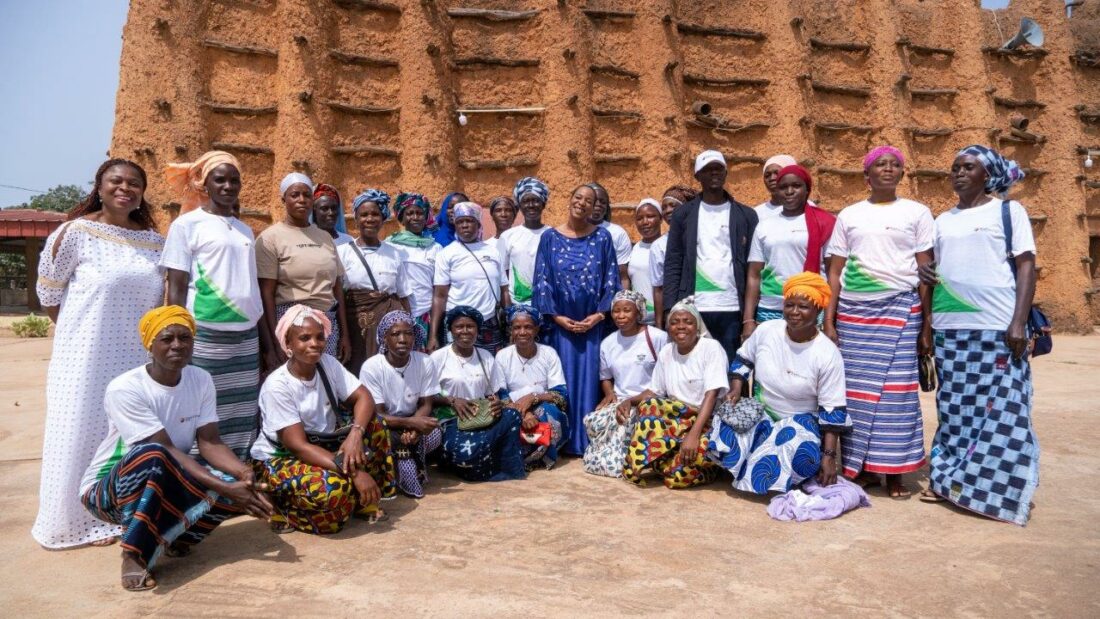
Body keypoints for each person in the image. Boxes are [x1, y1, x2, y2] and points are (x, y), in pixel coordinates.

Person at [81, 307, 273, 591]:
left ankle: (173, 538)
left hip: (168, 472)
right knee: (154, 456)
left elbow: (210, 442)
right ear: (150, 344)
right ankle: (133, 554)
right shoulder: (125, 388)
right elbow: (166, 448)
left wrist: (245, 474)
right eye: (167, 338)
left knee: (233, 483)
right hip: (110, 491)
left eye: (185, 338)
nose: (177, 345)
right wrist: (222, 486)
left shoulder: (200, 379)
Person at [33, 159, 165, 550]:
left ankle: (119, 513)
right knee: (78, 433)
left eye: (134, 183)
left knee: (126, 437)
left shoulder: (155, 241)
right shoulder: (75, 233)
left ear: (142, 191)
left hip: (136, 358)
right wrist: (81, 334)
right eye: (116, 181)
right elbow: (50, 297)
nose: (125, 188)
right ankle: (71, 521)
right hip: (85, 357)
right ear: (100, 186)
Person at [920, 145, 1039, 525]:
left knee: (1003, 409)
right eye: (954, 168)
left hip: (997, 325)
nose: (958, 173)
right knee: (954, 408)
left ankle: (999, 491)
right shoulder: (942, 220)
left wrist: (1018, 321)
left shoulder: (1008, 211)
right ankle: (948, 481)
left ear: (986, 175)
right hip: (950, 328)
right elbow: (933, 272)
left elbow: (1026, 266)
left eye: (967, 167)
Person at [824, 145, 934, 498]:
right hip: (855, 315)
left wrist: (927, 325)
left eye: (895, 165)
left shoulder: (918, 213)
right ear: (866, 175)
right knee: (855, 395)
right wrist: (830, 320)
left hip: (901, 310)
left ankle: (895, 472)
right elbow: (835, 271)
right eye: (880, 165)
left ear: (902, 174)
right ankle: (864, 468)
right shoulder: (849, 215)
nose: (888, 169)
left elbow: (925, 271)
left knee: (896, 395)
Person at [251, 305, 396, 533]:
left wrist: (356, 434)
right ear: (288, 344)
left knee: (375, 425)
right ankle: (281, 507)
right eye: (304, 338)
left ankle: (362, 502)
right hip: (282, 459)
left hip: (323, 446)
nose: (314, 343)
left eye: (319, 337)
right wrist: (355, 472)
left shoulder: (327, 364)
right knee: (334, 491)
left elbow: (364, 397)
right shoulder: (277, 386)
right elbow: (298, 447)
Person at [162, 152, 267, 461]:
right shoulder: (187, 225)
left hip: (246, 335)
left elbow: (251, 288)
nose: (228, 186)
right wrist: (176, 333)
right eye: (219, 179)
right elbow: (177, 284)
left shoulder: (245, 230)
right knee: (202, 407)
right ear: (204, 184)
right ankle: (199, 480)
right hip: (206, 333)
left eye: (234, 180)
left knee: (242, 406)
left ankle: (235, 475)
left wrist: (264, 341)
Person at [708, 273, 850, 494]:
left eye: (803, 307)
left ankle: (764, 473)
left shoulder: (827, 354)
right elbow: (743, 360)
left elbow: (833, 411)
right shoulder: (767, 330)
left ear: (818, 311)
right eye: (789, 305)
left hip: (801, 421)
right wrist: (736, 388)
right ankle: (750, 465)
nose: (794, 312)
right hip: (763, 412)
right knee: (725, 427)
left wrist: (829, 457)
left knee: (800, 452)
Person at [532, 184, 621, 455]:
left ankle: (585, 440)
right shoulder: (549, 238)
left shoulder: (603, 238)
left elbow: (611, 280)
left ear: (596, 207)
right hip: (560, 326)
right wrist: (557, 317)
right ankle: (560, 440)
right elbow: (542, 281)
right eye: (578, 197)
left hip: (593, 326)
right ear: (569, 200)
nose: (582, 203)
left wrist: (598, 315)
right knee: (563, 380)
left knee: (589, 379)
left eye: (589, 201)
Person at [663, 150, 759, 358]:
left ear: (725, 173)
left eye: (718, 169)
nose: (714, 173)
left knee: (732, 364)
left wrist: (750, 315)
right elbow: (673, 262)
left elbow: (754, 267)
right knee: (694, 364)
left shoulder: (746, 215)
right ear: (698, 176)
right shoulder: (684, 214)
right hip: (694, 305)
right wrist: (670, 308)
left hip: (732, 306)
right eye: (707, 170)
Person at [622, 298, 726, 488]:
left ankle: (701, 467)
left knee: (676, 478)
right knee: (649, 406)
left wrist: (693, 434)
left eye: (688, 321)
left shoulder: (711, 348)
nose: (681, 326)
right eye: (675, 322)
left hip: (705, 421)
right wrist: (630, 401)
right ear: (668, 327)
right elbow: (654, 392)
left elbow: (712, 394)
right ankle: (654, 462)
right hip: (677, 419)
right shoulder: (667, 351)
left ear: (697, 326)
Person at [257, 173, 351, 363]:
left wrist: (345, 335)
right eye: (295, 195)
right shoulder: (270, 238)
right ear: (284, 199)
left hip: (327, 324)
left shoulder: (325, 237)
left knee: (324, 383)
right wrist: (275, 343)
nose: (302, 200)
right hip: (291, 326)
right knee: (296, 384)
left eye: (307, 195)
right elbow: (265, 294)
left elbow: (337, 288)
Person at [430, 306, 526, 481]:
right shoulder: (438, 358)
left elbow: (495, 393)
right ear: (451, 330)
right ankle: (470, 459)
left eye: (470, 326)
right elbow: (426, 397)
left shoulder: (486, 356)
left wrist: (498, 404)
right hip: (452, 420)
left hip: (481, 417)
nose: (465, 331)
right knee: (464, 455)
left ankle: (502, 466)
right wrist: (452, 400)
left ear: (478, 330)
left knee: (512, 414)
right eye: (459, 327)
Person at [583, 290, 668, 478]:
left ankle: (631, 459)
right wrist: (609, 393)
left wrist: (632, 401)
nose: (621, 316)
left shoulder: (658, 337)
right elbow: (605, 376)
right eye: (616, 311)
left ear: (638, 312)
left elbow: (664, 379)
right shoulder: (608, 343)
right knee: (593, 420)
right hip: (620, 399)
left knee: (626, 424)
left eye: (627, 310)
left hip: (649, 399)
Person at [742, 165, 835, 331]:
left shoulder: (824, 223)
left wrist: (828, 319)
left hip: (810, 307)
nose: (789, 191)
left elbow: (832, 273)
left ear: (807, 190)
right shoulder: (764, 226)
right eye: (783, 187)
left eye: (796, 186)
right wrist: (748, 320)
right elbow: (754, 275)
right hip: (770, 307)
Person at [360, 311, 442, 498]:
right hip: (386, 425)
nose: (403, 339)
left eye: (408, 333)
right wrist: (412, 425)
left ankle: (402, 459)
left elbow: (426, 404)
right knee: (380, 437)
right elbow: (378, 415)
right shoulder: (372, 367)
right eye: (395, 334)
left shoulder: (425, 362)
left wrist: (416, 427)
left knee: (435, 432)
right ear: (384, 338)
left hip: (414, 420)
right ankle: (401, 463)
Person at [337, 189, 411, 373]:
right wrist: (344, 335)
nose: (369, 219)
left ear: (383, 218)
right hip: (357, 326)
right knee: (358, 368)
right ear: (355, 219)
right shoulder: (343, 252)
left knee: (390, 370)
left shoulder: (394, 252)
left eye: (375, 214)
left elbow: (403, 295)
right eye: (364, 215)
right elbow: (338, 297)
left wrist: (409, 328)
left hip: (391, 324)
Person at [495, 305, 571, 470]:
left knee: (550, 413)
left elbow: (560, 394)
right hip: (513, 408)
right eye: (517, 328)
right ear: (511, 331)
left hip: (541, 406)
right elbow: (501, 395)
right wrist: (525, 413)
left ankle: (542, 455)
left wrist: (532, 398)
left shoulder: (548, 354)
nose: (522, 332)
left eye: (528, 327)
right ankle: (521, 455)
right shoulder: (502, 356)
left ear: (536, 330)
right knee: (506, 418)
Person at [430, 201, 508, 353]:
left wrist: (510, 322)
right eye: (460, 222)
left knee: (489, 369)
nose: (465, 225)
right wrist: (433, 335)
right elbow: (439, 296)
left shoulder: (493, 252)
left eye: (469, 221)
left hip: (489, 323)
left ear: (478, 224)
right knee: (459, 370)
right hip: (459, 325)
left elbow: (504, 290)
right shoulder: (446, 254)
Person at [384, 192, 440, 346]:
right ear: (401, 217)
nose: (415, 217)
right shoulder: (390, 245)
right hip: (397, 314)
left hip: (425, 315)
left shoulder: (435, 248)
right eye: (410, 213)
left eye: (420, 213)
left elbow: (438, 290)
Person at [498, 177, 551, 304]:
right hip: (518, 305)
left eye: (536, 200)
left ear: (543, 204)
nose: (531, 205)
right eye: (526, 201)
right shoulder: (508, 236)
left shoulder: (553, 235)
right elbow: (502, 275)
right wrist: (507, 307)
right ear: (520, 205)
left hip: (548, 303)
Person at [650, 185, 696, 328]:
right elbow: (658, 289)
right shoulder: (658, 245)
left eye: (673, 205)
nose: (668, 210)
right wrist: (660, 324)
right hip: (676, 313)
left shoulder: (701, 237)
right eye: (664, 207)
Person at [587, 182, 632, 288]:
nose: (598, 204)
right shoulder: (572, 232)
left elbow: (623, 277)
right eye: (593, 200)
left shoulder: (617, 233)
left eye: (602, 202)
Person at [629, 198, 663, 325]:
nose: (645, 222)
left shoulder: (667, 246)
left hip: (662, 318)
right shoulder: (633, 248)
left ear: (660, 219)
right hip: (638, 320)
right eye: (640, 218)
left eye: (650, 216)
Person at [755, 154, 798, 222]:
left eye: (777, 173)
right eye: (767, 175)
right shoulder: (756, 213)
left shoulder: (807, 208)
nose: (772, 178)